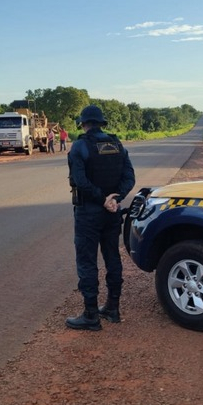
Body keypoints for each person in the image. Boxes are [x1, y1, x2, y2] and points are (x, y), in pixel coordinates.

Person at [65, 104, 135, 331]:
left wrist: (102, 199)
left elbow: (80, 181)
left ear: (84, 124)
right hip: (112, 212)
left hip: (89, 213)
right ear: (102, 123)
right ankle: (113, 308)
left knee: (87, 262)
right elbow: (129, 177)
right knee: (112, 257)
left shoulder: (79, 147)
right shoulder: (117, 145)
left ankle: (91, 315)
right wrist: (116, 198)